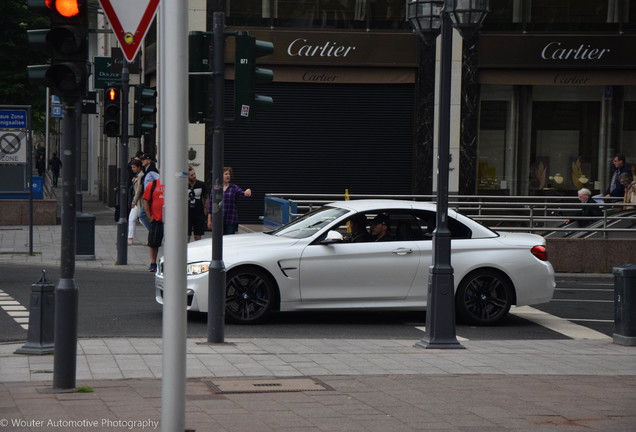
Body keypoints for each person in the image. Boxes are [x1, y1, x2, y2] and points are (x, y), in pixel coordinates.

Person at [207, 167, 251, 235]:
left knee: (228, 240)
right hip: (218, 220)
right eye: (226, 174)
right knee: (218, 239)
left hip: (230, 219)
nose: (228, 176)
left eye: (229, 174)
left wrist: (247, 191)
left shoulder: (234, 188)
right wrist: (209, 220)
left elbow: (243, 194)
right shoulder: (216, 188)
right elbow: (210, 205)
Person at [142, 177, 164, 272]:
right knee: (153, 243)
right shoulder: (153, 184)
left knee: (171, 244)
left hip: (171, 221)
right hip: (156, 219)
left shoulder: (174, 183)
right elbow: (146, 200)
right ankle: (153, 263)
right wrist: (149, 216)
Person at [138, 153, 159, 231]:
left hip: (151, 197)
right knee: (145, 215)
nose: (142, 161)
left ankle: (153, 232)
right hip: (147, 196)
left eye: (144, 160)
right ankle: (153, 232)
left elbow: (160, 180)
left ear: (149, 161)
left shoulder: (152, 171)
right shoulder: (146, 171)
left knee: (142, 215)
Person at [187, 166, 208, 242]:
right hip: (187, 213)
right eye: (191, 175)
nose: (194, 176)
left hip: (198, 213)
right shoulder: (183, 185)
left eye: (194, 174)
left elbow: (206, 197)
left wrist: (205, 210)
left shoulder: (201, 184)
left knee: (198, 236)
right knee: (186, 235)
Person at [127, 160, 144, 244]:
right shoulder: (137, 176)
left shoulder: (141, 175)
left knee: (142, 219)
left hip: (139, 201)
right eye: (132, 167)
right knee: (132, 219)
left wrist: (134, 201)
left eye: (134, 167)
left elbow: (138, 190)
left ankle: (153, 232)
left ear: (139, 167)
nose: (132, 169)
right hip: (137, 201)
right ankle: (130, 238)